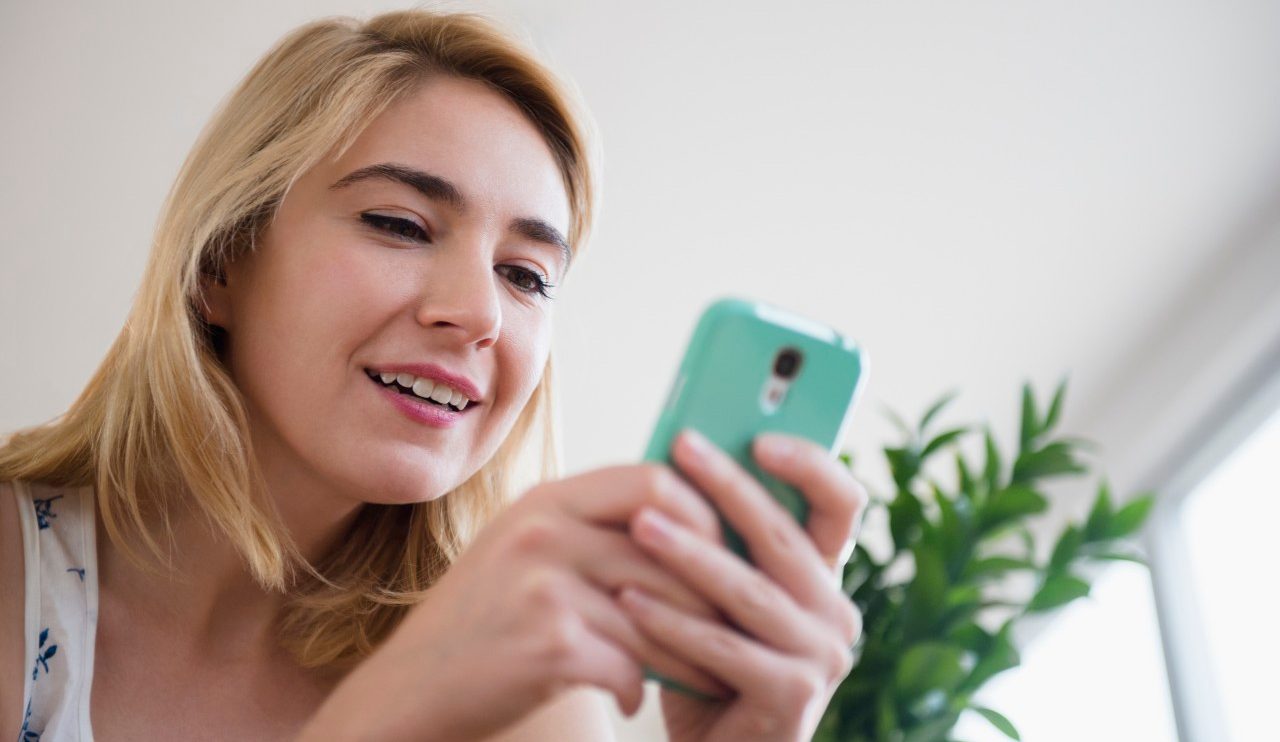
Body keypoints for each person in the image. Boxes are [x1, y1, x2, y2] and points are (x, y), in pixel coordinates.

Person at [0, 8, 867, 740]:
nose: (480, 313)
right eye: (401, 224)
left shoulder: (536, 708)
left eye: (526, 275)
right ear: (219, 264)